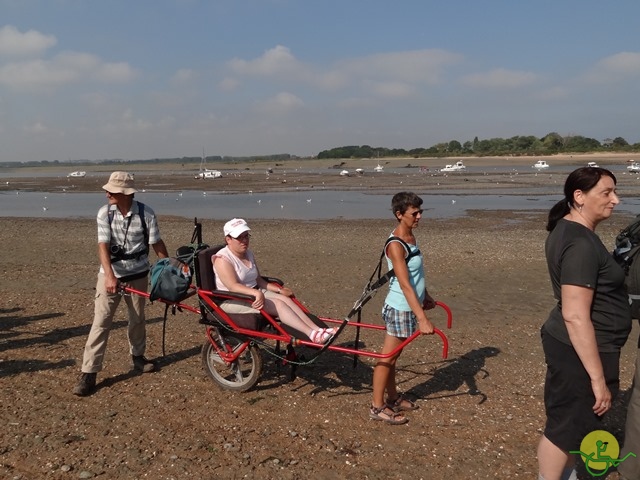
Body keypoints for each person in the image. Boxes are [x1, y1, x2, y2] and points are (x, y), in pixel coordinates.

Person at [537, 167, 631, 480]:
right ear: (579, 197)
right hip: (580, 349)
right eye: (606, 193)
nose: (615, 200)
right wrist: (597, 379)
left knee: (567, 421)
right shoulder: (579, 243)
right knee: (564, 429)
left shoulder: (570, 231)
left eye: (614, 192)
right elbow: (575, 315)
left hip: (575, 346)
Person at [73, 171, 169, 396]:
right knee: (101, 322)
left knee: (137, 318)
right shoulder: (104, 213)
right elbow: (103, 246)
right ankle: (89, 372)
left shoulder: (146, 213)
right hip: (109, 274)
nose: (106, 193)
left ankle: (138, 357)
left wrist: (170, 268)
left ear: (125, 193)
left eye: (111, 190)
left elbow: (156, 243)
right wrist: (109, 276)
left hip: (138, 274)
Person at [212, 218, 336, 344]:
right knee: (279, 305)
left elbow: (259, 280)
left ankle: (318, 330)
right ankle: (312, 334)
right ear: (228, 239)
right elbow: (233, 286)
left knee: (285, 299)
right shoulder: (222, 259)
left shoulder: (248, 253)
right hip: (232, 299)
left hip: (252, 293)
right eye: (239, 237)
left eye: (246, 236)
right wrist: (256, 294)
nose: (244, 241)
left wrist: (279, 290)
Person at [370, 192, 436, 425]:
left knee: (394, 357)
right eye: (414, 213)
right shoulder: (396, 244)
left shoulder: (410, 237)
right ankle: (377, 407)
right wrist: (422, 319)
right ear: (399, 215)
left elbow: (416, 274)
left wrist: (426, 296)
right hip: (400, 308)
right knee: (387, 358)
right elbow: (405, 285)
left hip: (409, 306)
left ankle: (393, 398)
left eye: (420, 212)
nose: (419, 216)